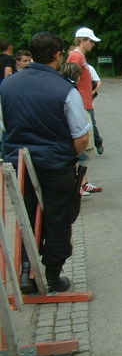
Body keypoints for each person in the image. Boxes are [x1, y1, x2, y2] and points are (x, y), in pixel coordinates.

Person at [0, 31, 90, 292]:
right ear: (58, 55)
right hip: (55, 165)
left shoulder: (7, 85)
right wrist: (67, 155)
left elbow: (6, 125)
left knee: (26, 217)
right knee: (58, 219)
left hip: (19, 165)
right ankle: (52, 275)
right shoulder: (65, 89)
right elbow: (81, 137)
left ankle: (27, 272)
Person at [67, 27, 104, 194]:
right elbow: (70, 80)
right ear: (81, 40)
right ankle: (79, 183)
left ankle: (83, 182)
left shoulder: (80, 56)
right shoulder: (76, 56)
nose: (93, 44)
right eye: (91, 41)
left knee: (86, 147)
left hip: (85, 103)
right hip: (81, 105)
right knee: (82, 144)